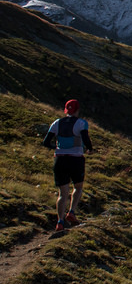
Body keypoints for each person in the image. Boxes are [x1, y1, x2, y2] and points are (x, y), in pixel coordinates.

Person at [41, 99, 94, 232]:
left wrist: (57, 147)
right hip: (76, 159)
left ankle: (60, 221)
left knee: (62, 193)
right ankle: (71, 212)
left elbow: (46, 142)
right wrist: (90, 149)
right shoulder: (81, 123)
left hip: (60, 160)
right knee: (78, 186)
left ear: (66, 110)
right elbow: (85, 138)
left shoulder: (56, 123)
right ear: (77, 110)